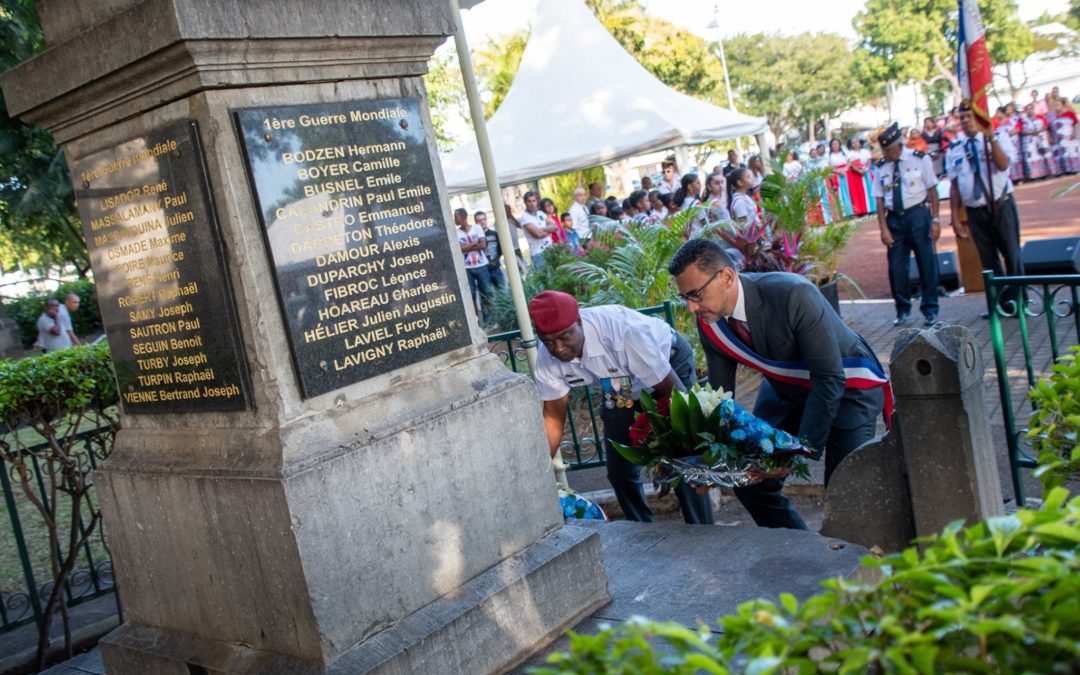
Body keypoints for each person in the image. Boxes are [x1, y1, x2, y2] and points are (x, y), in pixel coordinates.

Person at [668, 240, 890, 529]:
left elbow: (829, 378)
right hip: (787, 393)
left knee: (846, 492)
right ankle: (800, 546)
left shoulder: (794, 294)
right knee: (749, 481)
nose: (691, 307)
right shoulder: (711, 321)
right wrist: (711, 460)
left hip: (850, 388)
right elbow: (721, 399)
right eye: (684, 297)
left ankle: (853, 555)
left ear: (727, 277)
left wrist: (795, 453)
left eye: (696, 294)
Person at [529, 290, 715, 525]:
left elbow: (674, 396)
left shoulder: (625, 334)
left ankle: (701, 530)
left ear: (579, 321)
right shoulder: (547, 358)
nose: (557, 348)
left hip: (668, 366)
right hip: (618, 384)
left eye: (564, 337)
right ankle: (639, 529)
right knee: (619, 468)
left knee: (684, 461)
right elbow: (553, 418)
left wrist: (677, 451)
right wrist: (537, 475)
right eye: (548, 342)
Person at [946, 101, 1024, 316]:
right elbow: (955, 186)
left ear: (979, 118)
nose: (965, 121)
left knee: (1012, 255)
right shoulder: (955, 148)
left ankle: (1019, 303)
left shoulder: (998, 137)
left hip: (1001, 205)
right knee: (989, 261)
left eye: (969, 116)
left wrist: (991, 139)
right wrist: (954, 217)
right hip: (975, 211)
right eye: (962, 117)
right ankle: (1000, 305)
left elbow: (1003, 165)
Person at [872, 123, 941, 327]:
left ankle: (930, 309)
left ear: (898, 145)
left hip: (918, 215)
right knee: (896, 268)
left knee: (926, 263)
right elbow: (879, 199)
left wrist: (935, 219)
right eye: (883, 150)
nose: (885, 154)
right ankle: (902, 309)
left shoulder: (919, 159)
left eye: (888, 150)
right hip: (894, 220)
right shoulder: (882, 166)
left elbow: (933, 191)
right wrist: (883, 228)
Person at [455, 208, 493, 326]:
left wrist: (466, 246)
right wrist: (474, 243)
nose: (454, 219)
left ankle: (490, 321)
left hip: (481, 265)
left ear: (463, 217)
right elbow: (458, 249)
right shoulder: (455, 232)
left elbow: (483, 245)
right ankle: (476, 323)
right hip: (466, 268)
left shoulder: (477, 228)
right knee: (470, 295)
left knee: (486, 293)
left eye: (456, 216)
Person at [519, 191, 558, 269]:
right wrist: (549, 231)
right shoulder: (524, 217)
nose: (532, 204)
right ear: (525, 202)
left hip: (550, 249)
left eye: (534, 201)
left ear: (536, 201)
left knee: (556, 274)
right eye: (529, 201)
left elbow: (555, 226)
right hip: (538, 254)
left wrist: (542, 229)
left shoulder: (540, 213)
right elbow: (538, 234)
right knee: (544, 276)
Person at [1018, 102, 1051, 181]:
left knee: (1043, 155)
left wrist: (1039, 131)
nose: (1029, 111)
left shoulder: (1040, 117)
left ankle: (1045, 173)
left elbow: (1046, 125)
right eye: (1027, 109)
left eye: (1030, 109)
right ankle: (1034, 175)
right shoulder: (1023, 120)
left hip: (1040, 139)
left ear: (1033, 109)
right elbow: (1020, 130)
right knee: (1032, 157)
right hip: (1029, 141)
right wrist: (1029, 133)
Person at [1050, 97, 1079, 175]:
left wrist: (1074, 133)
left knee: (1071, 152)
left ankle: (1074, 169)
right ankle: (1065, 170)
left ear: (1063, 105)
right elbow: (1050, 127)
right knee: (1061, 154)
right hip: (1058, 139)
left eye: (1058, 105)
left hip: (1069, 136)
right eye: (1055, 105)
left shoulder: (1069, 113)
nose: (1056, 107)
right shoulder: (1053, 116)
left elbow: (1076, 123)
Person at [476, 210, 505, 288]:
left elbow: (500, 250)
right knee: (487, 294)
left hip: (496, 269)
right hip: (483, 271)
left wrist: (495, 260)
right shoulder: (475, 237)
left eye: (484, 219)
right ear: (476, 222)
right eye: (479, 220)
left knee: (503, 291)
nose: (482, 222)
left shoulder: (494, 234)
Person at [827, 139, 854, 218]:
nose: (835, 146)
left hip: (846, 173)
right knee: (840, 193)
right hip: (836, 175)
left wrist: (845, 169)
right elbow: (828, 167)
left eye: (837, 144)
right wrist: (837, 171)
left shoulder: (844, 153)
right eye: (833, 144)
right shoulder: (829, 156)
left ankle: (853, 211)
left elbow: (849, 162)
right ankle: (844, 213)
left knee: (849, 192)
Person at [846, 139, 869, 216]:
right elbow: (851, 164)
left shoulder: (865, 151)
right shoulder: (850, 153)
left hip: (866, 172)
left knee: (868, 190)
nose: (855, 144)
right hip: (856, 174)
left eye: (856, 142)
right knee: (859, 192)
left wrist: (866, 169)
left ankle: (870, 208)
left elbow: (869, 161)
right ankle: (861, 210)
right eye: (853, 143)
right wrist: (859, 171)